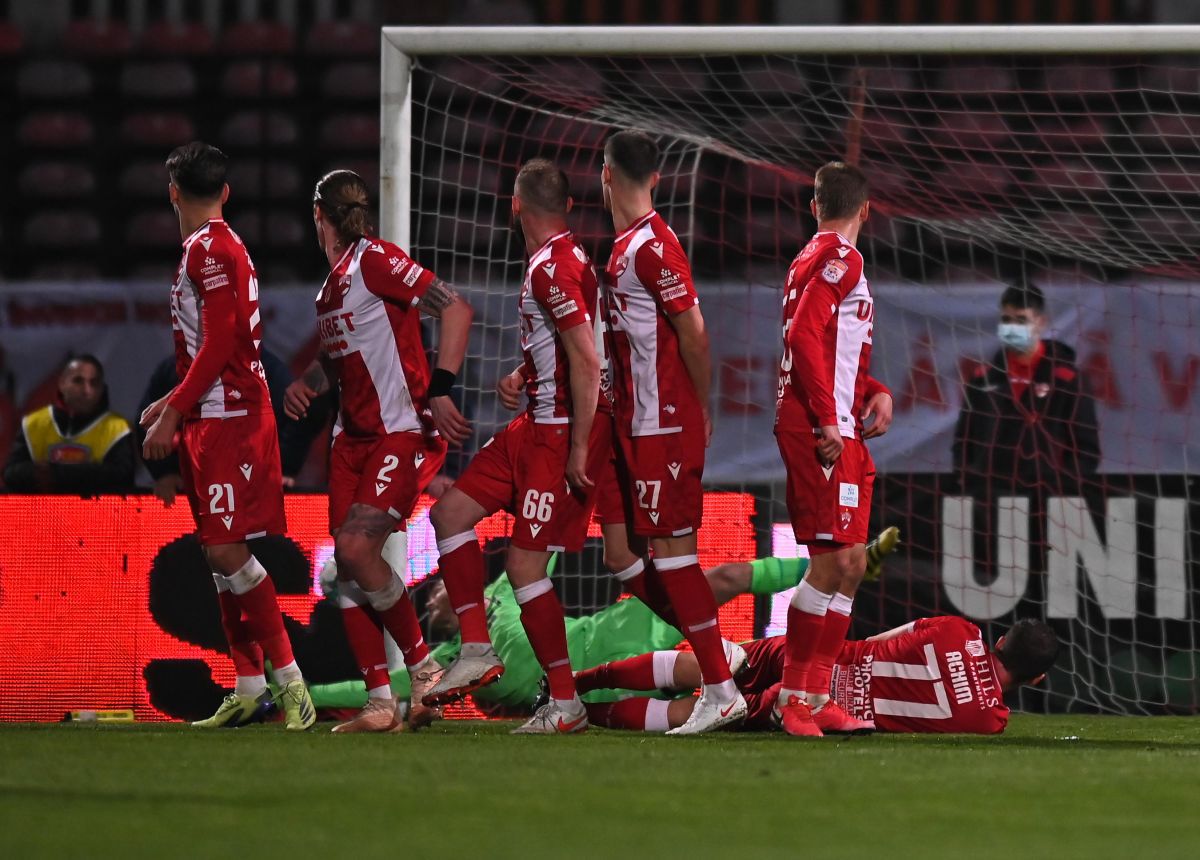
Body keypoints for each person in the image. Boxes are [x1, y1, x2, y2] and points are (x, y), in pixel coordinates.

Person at [308, 528, 901, 718]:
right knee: (733, 667)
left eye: (441, 586)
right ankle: (798, 696)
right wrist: (308, 694)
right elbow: (377, 692)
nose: (439, 592)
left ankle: (830, 565)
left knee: (717, 580)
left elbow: (543, 545)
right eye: (433, 595)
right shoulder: (448, 664)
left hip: (613, 627)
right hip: (599, 683)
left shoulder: (499, 591)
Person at [422, 159, 610, 734]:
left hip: (558, 434)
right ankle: (476, 648)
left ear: (515, 206)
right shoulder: (563, 259)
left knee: (526, 567)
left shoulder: (553, 268)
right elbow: (568, 347)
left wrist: (579, 448)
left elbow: (588, 360)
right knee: (450, 514)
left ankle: (566, 702)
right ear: (568, 207)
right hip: (532, 425)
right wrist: (524, 373)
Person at [283, 169, 473, 734]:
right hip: (350, 441)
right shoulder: (331, 286)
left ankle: (424, 668)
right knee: (347, 567)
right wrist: (309, 382)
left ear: (318, 215)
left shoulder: (377, 260)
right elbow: (341, 358)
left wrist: (441, 388)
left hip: (400, 432)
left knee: (354, 548)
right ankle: (380, 703)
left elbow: (456, 309)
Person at [141, 141, 315, 731]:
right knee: (218, 553)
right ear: (226, 191)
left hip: (230, 418)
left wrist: (172, 413)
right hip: (213, 413)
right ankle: (248, 687)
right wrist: (172, 401)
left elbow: (220, 343)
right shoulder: (214, 246)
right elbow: (220, 344)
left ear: (172, 192)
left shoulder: (211, 249)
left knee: (225, 550)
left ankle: (290, 681)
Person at [598, 130, 744, 735]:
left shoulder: (653, 247)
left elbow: (695, 333)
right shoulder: (625, 247)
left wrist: (700, 404)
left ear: (606, 175)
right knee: (624, 553)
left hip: (663, 424)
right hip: (636, 424)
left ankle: (721, 686)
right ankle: (720, 662)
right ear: (656, 177)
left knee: (675, 555)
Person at [773, 161, 895, 738]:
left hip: (839, 420)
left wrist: (874, 390)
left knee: (851, 564)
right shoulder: (842, 259)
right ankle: (792, 698)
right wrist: (826, 418)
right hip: (821, 426)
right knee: (830, 564)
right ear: (866, 209)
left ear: (813, 205)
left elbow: (831, 347)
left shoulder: (812, 258)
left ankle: (818, 696)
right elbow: (802, 337)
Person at [578, 615, 1059, 736]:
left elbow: (886, 637)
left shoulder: (959, 630)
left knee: (716, 665)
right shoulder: (991, 720)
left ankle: (578, 682)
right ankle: (587, 716)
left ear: (1000, 640)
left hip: (815, 659)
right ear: (1036, 680)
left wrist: (857, 660)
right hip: (815, 710)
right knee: (698, 710)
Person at [953, 284, 1101, 499]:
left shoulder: (1068, 379)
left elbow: (1086, 449)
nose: (1012, 328)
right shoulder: (982, 378)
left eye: (1021, 320)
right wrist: (970, 479)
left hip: (1050, 498)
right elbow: (964, 439)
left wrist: (1060, 489)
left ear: (1041, 322)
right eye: (1006, 320)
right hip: (991, 496)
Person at [137, 350, 331, 506]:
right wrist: (165, 472)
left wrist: (283, 466)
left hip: (253, 487)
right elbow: (146, 421)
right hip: (193, 486)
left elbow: (303, 416)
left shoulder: (266, 370)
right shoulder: (175, 369)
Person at [3, 355, 135, 494]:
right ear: (62, 384)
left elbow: (123, 476)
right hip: (45, 506)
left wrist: (57, 473)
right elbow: (10, 474)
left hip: (96, 506)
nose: (87, 390)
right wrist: (35, 473)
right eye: (78, 381)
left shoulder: (117, 428)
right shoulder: (33, 424)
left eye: (94, 383)